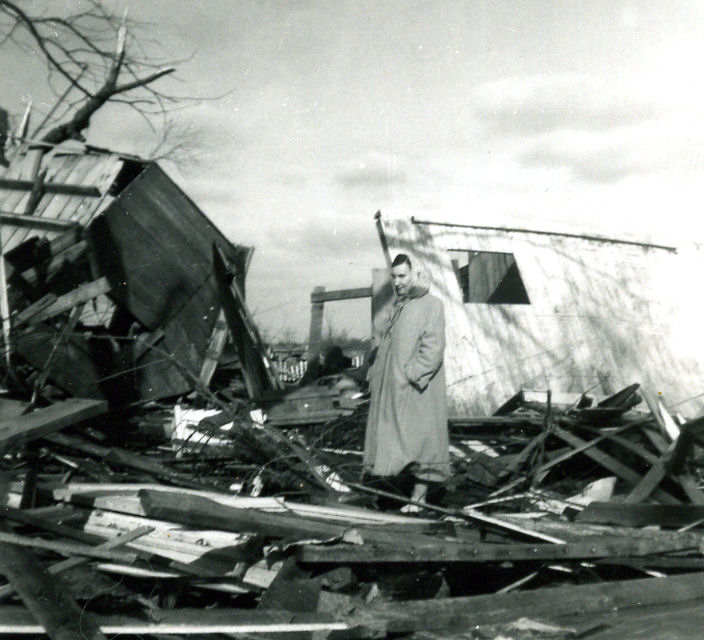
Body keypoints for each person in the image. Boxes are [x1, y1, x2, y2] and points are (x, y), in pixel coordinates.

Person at [363, 253, 450, 509]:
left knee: (422, 443)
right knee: (400, 444)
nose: (397, 281)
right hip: (394, 390)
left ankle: (419, 497)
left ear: (416, 274)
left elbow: (433, 348)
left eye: (402, 275)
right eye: (394, 276)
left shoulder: (432, 305)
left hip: (417, 390)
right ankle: (396, 494)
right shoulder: (399, 305)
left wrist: (411, 374)